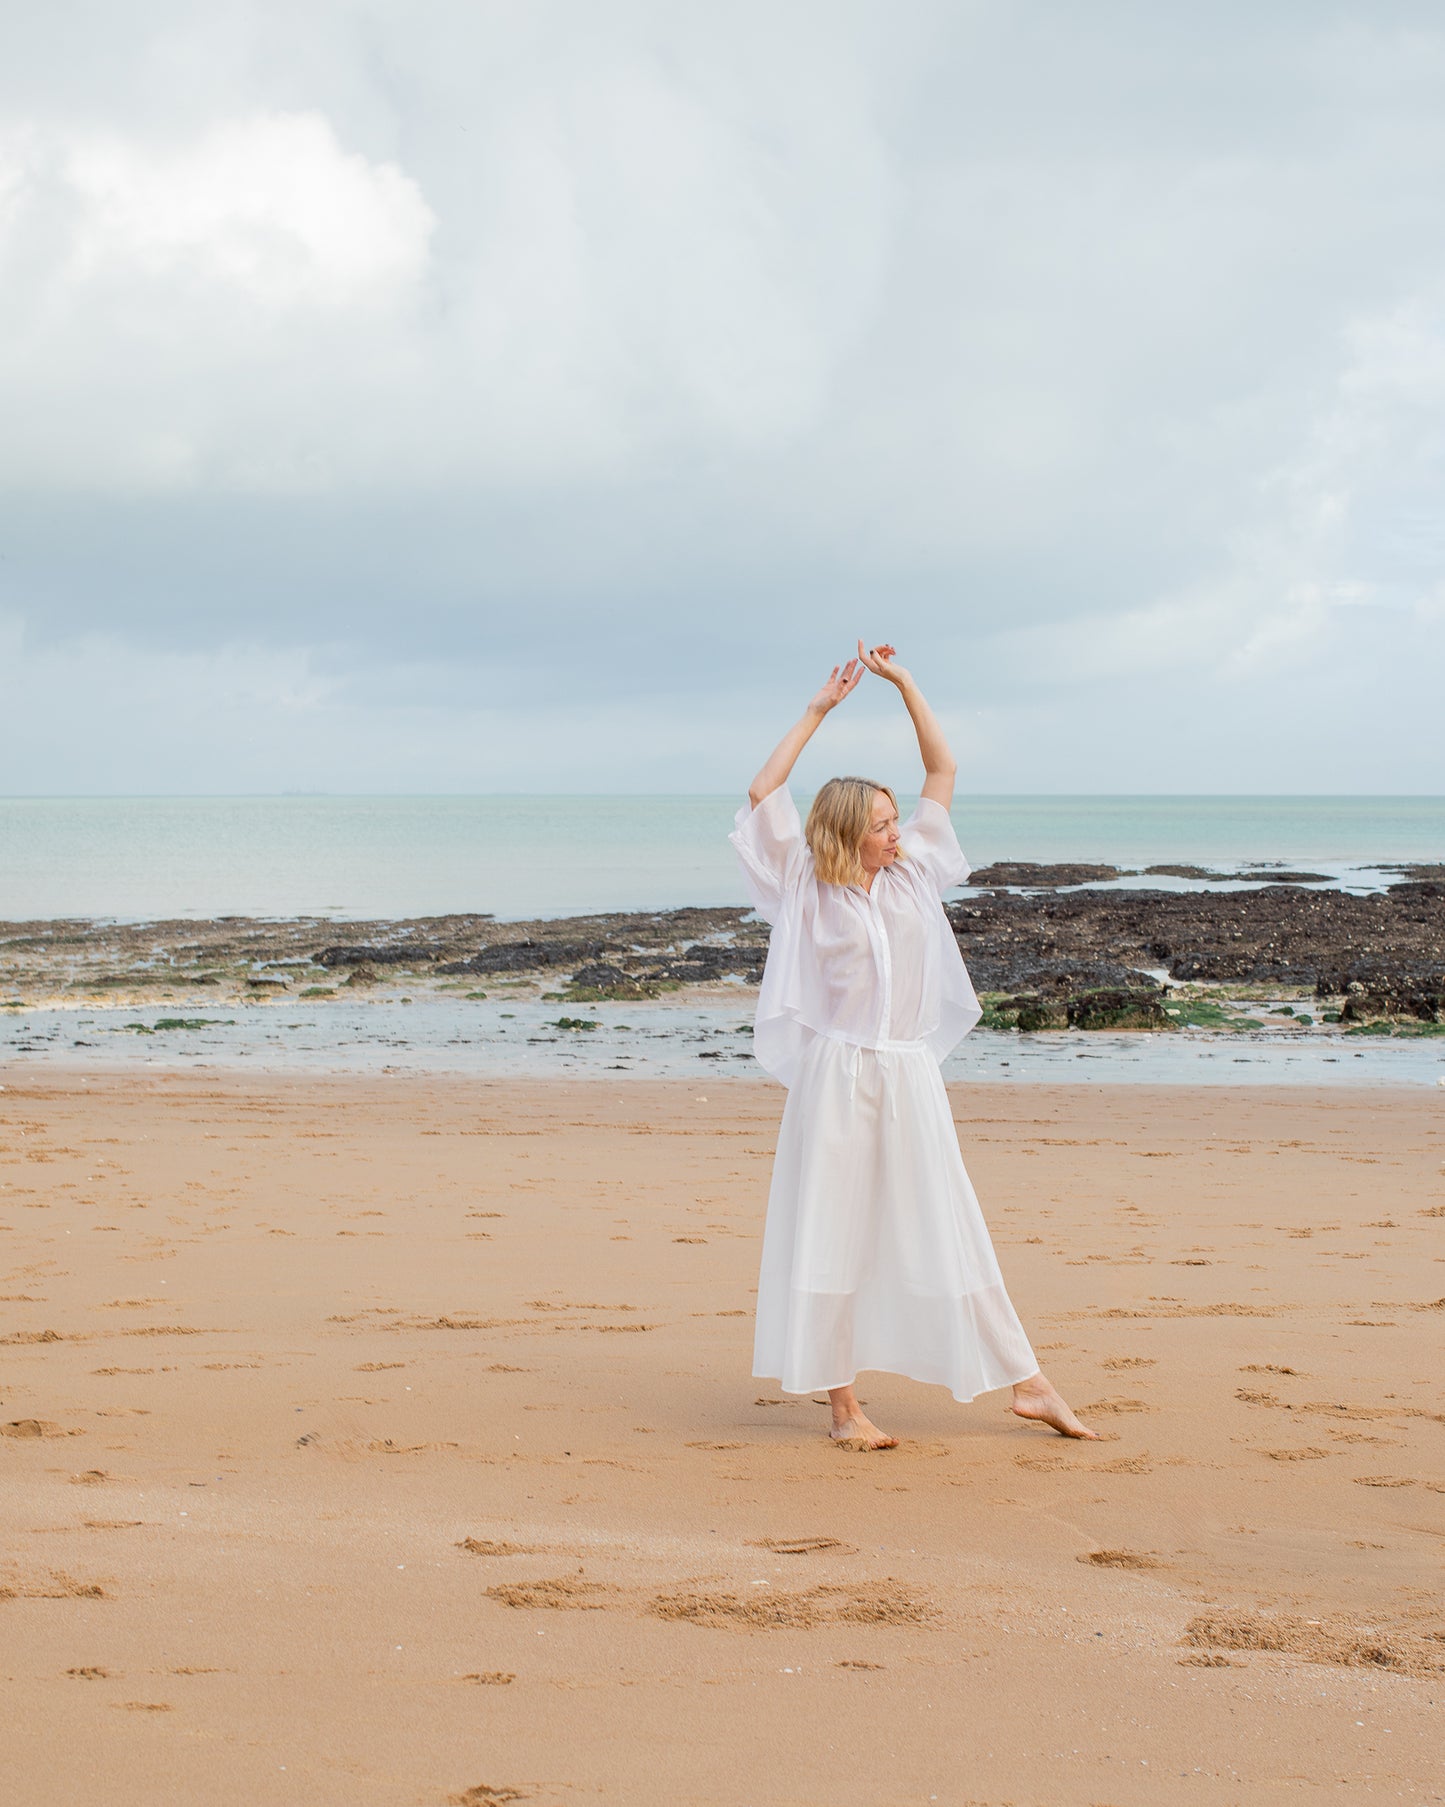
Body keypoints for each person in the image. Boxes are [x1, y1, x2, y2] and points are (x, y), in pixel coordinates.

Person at [730, 642, 1096, 1449]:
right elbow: (763, 791)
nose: (897, 832)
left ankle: (1029, 1383)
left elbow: (944, 770)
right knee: (832, 1231)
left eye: (897, 821)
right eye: (882, 825)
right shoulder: (804, 884)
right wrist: (817, 710)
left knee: (948, 1218)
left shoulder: (914, 874)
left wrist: (902, 684)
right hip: (836, 1073)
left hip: (906, 1070)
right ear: (846, 835)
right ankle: (843, 1410)